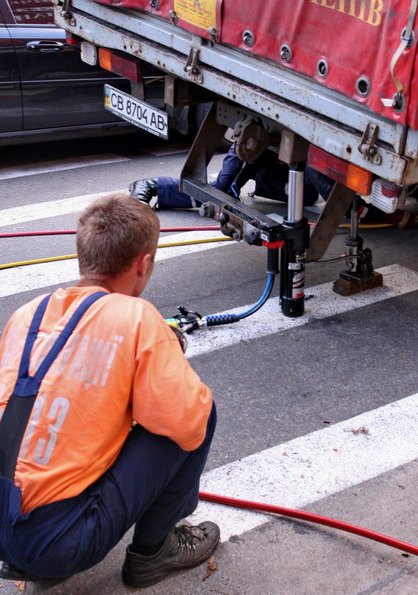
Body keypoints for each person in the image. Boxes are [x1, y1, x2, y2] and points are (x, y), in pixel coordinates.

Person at [0, 194, 219, 588]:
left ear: (83, 256)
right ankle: (153, 553)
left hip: (7, 521)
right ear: (143, 264)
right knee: (198, 411)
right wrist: (164, 356)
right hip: (56, 543)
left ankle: (30, 553)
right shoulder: (136, 317)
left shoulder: (26, 314)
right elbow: (186, 422)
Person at [129, 143, 333, 208]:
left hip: (272, 161)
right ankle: (151, 185)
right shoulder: (250, 143)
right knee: (219, 192)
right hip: (250, 147)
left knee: (306, 196)